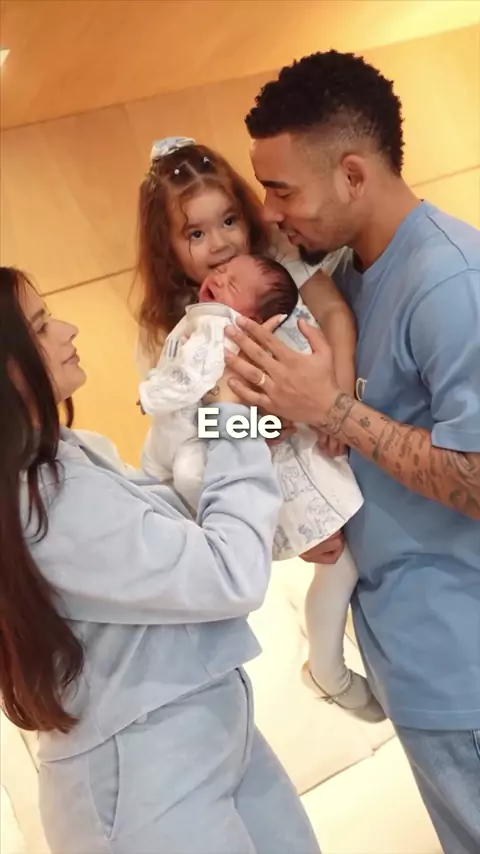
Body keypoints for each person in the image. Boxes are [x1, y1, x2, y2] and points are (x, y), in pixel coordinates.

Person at [222, 49, 480, 854]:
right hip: (417, 669)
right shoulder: (342, 280)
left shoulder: (453, 282)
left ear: (353, 175)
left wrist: (331, 408)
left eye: (282, 190)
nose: (270, 215)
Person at [0, 264, 321, 854]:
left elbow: (177, 502)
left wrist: (223, 415)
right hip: (144, 777)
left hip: (209, 735)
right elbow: (227, 573)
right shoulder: (45, 503)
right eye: (42, 326)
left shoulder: (71, 453)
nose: (68, 330)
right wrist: (233, 419)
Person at [138, 252, 379, 720]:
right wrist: (251, 425)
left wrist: (328, 406)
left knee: (344, 564)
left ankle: (327, 666)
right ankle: (328, 669)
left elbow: (331, 325)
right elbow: (193, 425)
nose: (218, 268)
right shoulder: (201, 336)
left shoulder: (257, 326)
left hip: (280, 462)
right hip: (228, 473)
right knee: (341, 565)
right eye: (196, 236)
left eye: (232, 282)